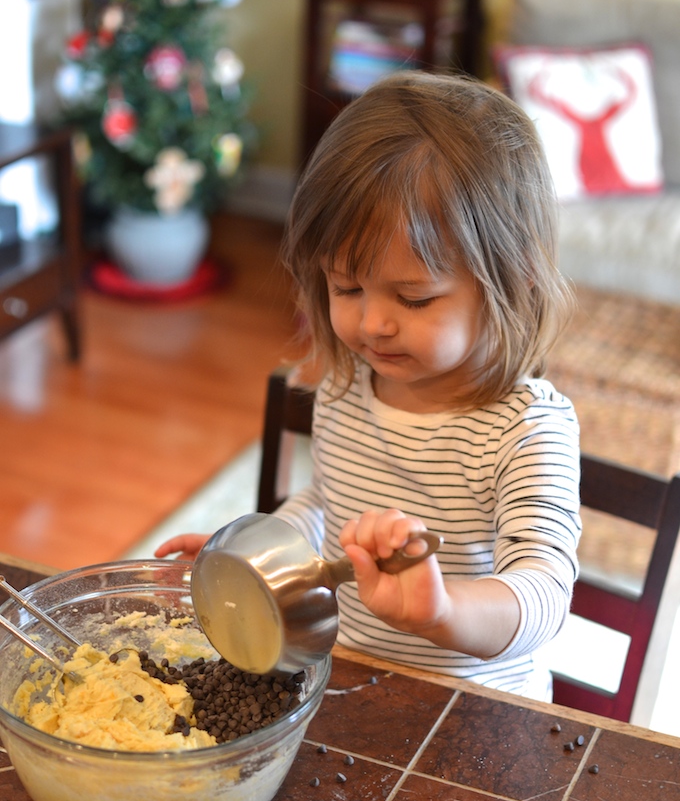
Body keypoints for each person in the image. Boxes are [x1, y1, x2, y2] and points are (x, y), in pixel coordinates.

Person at [156, 71, 581, 700]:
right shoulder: (349, 386)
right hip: (343, 681)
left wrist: (442, 612)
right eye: (346, 287)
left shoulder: (526, 430)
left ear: (507, 283)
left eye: (413, 298)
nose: (373, 324)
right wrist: (258, 560)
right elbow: (327, 501)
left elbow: (544, 592)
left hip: (475, 710)